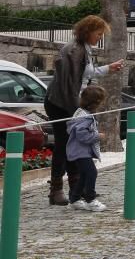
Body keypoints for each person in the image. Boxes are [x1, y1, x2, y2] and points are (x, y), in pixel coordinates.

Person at [43, 14, 124, 206]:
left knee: (73, 145)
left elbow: (86, 74)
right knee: (64, 146)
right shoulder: (73, 51)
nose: (100, 37)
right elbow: (67, 86)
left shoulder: (83, 49)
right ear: (87, 32)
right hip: (60, 104)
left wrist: (107, 69)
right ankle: (56, 191)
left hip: (71, 104)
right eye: (98, 33)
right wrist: (77, 113)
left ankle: (76, 188)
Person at [66, 85, 108, 212]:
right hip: (80, 151)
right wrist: (97, 136)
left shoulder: (81, 112)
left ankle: (74, 199)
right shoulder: (86, 117)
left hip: (80, 150)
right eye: (101, 102)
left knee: (84, 175)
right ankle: (90, 199)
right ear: (94, 103)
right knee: (91, 173)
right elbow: (81, 134)